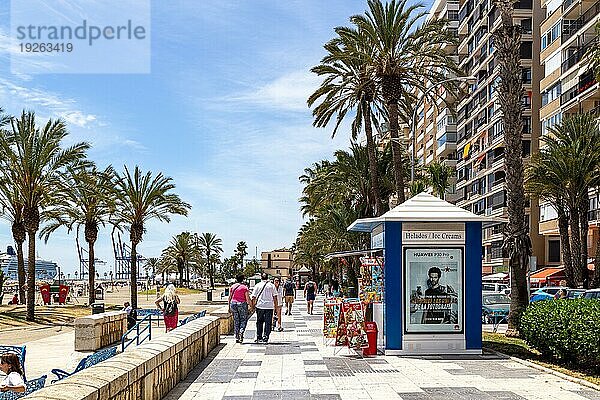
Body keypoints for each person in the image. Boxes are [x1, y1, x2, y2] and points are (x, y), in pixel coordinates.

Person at [251, 273, 277, 343]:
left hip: (260, 306)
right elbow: (275, 297)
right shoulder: (272, 286)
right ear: (267, 278)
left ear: (261, 278)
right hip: (269, 306)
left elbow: (253, 297)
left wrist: (253, 305)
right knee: (268, 322)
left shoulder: (257, 285)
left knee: (259, 322)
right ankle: (266, 337)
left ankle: (259, 337)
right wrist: (276, 307)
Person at [228, 274, 252, 343]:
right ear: (243, 279)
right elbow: (247, 299)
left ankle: (237, 336)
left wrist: (229, 306)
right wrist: (251, 306)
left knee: (236, 320)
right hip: (242, 304)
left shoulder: (232, 286)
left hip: (233, 304)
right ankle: (241, 331)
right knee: (243, 319)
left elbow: (229, 297)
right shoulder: (244, 288)